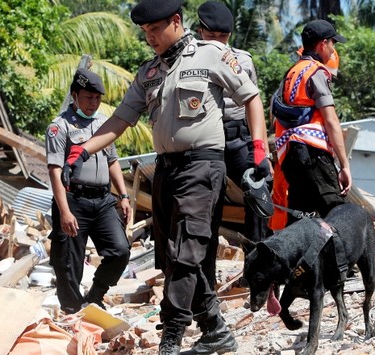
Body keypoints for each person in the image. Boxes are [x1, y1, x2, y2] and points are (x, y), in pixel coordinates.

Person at [62, 1, 269, 353]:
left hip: (203, 165)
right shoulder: (149, 72)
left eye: (154, 29)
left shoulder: (213, 54)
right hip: (166, 168)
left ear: (176, 21)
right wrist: (82, 148)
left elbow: (251, 98)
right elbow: (120, 121)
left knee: (186, 249)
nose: (149, 37)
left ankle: (170, 336)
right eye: (144, 32)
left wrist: (259, 150)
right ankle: (215, 329)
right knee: (171, 255)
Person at [195, 0, 270, 288]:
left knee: (259, 196)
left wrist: (260, 148)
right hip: (207, 139)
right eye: (212, 37)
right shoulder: (189, 61)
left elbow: (254, 104)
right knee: (207, 207)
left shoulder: (244, 59)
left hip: (239, 137)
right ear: (201, 32)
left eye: (223, 38)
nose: (218, 44)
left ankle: (259, 273)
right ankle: (205, 280)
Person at [46, 68, 131, 314]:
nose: (93, 103)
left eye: (97, 98)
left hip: (103, 200)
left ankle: (95, 295)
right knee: (69, 263)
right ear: (75, 95)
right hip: (74, 200)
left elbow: (112, 160)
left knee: (120, 250)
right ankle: (72, 310)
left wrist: (124, 196)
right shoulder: (59, 127)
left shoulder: (104, 123)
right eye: (88, 97)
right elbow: (54, 170)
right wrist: (64, 211)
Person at [272, 19, 350, 227]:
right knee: (336, 211)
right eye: (333, 44)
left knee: (299, 217)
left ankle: (296, 259)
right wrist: (344, 165)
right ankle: (340, 260)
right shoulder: (316, 72)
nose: (333, 50)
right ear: (323, 43)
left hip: (288, 155)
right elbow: (331, 121)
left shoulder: (291, 73)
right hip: (312, 153)